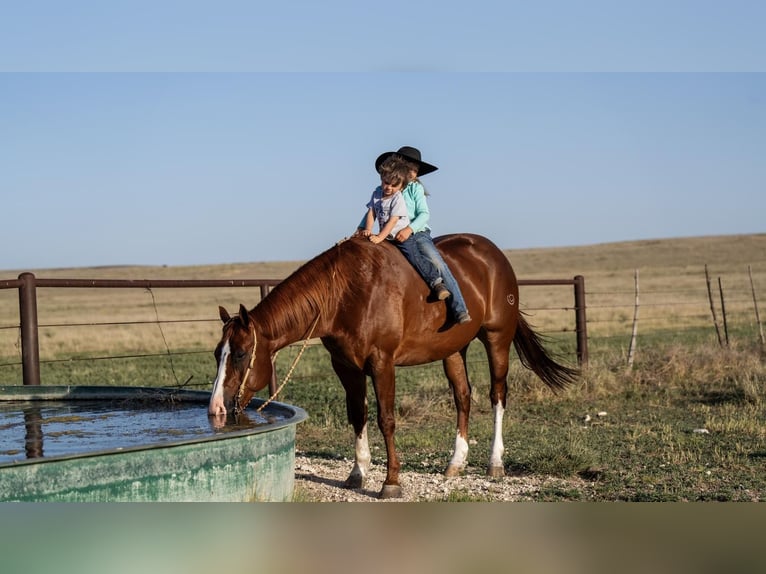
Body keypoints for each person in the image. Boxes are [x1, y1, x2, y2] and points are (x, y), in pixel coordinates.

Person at [358, 146, 471, 325]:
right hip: (389, 235)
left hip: (417, 234)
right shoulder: (385, 188)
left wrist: (409, 229)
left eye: (416, 170)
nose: (413, 172)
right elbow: (373, 209)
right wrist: (361, 228)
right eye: (410, 167)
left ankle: (459, 307)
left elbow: (424, 214)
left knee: (436, 262)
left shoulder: (415, 189)